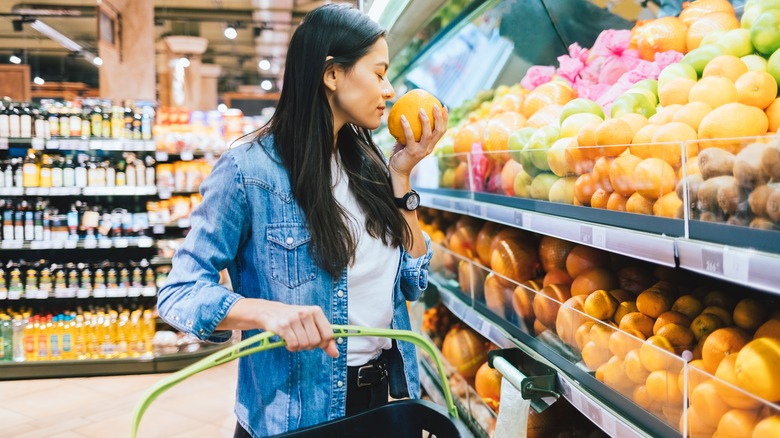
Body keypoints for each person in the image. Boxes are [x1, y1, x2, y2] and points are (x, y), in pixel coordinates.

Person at [157, 3, 448, 437]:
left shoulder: (369, 166)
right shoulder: (247, 172)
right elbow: (178, 292)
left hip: (379, 403)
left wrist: (401, 176)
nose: (389, 90)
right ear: (333, 75)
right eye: (379, 72)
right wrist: (264, 312)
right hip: (295, 416)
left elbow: (412, 282)